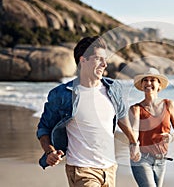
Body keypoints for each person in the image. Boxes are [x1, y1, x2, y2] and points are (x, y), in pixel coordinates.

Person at [36, 36, 140, 187]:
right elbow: (44, 128)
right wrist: (49, 152)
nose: (104, 64)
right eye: (98, 59)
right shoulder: (62, 94)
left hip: (109, 169)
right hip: (81, 169)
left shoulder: (113, 88)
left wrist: (133, 142)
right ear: (82, 60)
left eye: (105, 59)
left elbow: (121, 116)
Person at [129, 67, 174, 187]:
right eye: (145, 80)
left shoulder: (169, 104)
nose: (148, 83)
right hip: (141, 158)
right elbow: (134, 131)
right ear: (142, 85)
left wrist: (171, 137)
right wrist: (134, 145)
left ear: (159, 85)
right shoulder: (136, 109)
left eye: (152, 80)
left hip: (161, 160)